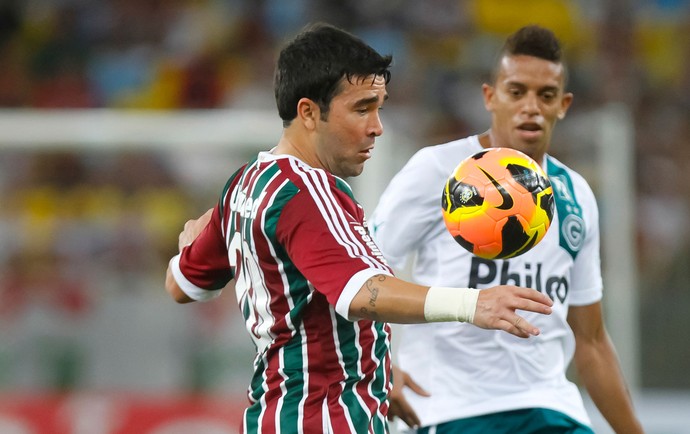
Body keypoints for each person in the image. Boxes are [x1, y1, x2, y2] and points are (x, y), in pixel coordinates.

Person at [164, 23, 554, 434]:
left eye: (379, 107)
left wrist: (378, 375)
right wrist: (473, 305)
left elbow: (182, 285)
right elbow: (359, 293)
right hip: (323, 421)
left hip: (281, 414)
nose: (377, 127)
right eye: (362, 108)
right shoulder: (307, 193)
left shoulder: (244, 184)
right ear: (309, 112)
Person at [370, 25, 644, 434]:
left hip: (551, 406)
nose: (531, 107)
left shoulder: (576, 195)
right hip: (451, 408)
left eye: (545, 95)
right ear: (490, 97)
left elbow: (591, 340)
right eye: (517, 92)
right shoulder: (439, 171)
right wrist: (378, 366)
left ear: (563, 104)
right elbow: (365, 275)